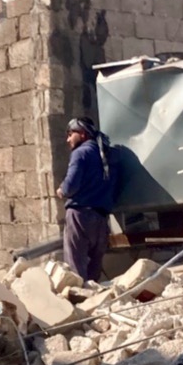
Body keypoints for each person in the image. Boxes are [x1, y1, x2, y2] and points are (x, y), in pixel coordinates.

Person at [58, 117, 118, 283]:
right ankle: (95, 303)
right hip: (101, 219)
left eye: (71, 134)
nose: (68, 139)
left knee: (76, 268)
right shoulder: (106, 154)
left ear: (82, 134)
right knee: (94, 271)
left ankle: (81, 305)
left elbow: (71, 186)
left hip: (79, 216)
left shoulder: (80, 153)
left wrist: (62, 189)